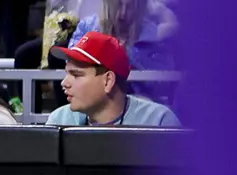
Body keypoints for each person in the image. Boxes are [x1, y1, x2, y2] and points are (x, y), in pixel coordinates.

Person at [48, 32, 179, 127]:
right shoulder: (59, 121)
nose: (64, 83)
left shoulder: (159, 122)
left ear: (108, 81)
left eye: (76, 75)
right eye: (67, 74)